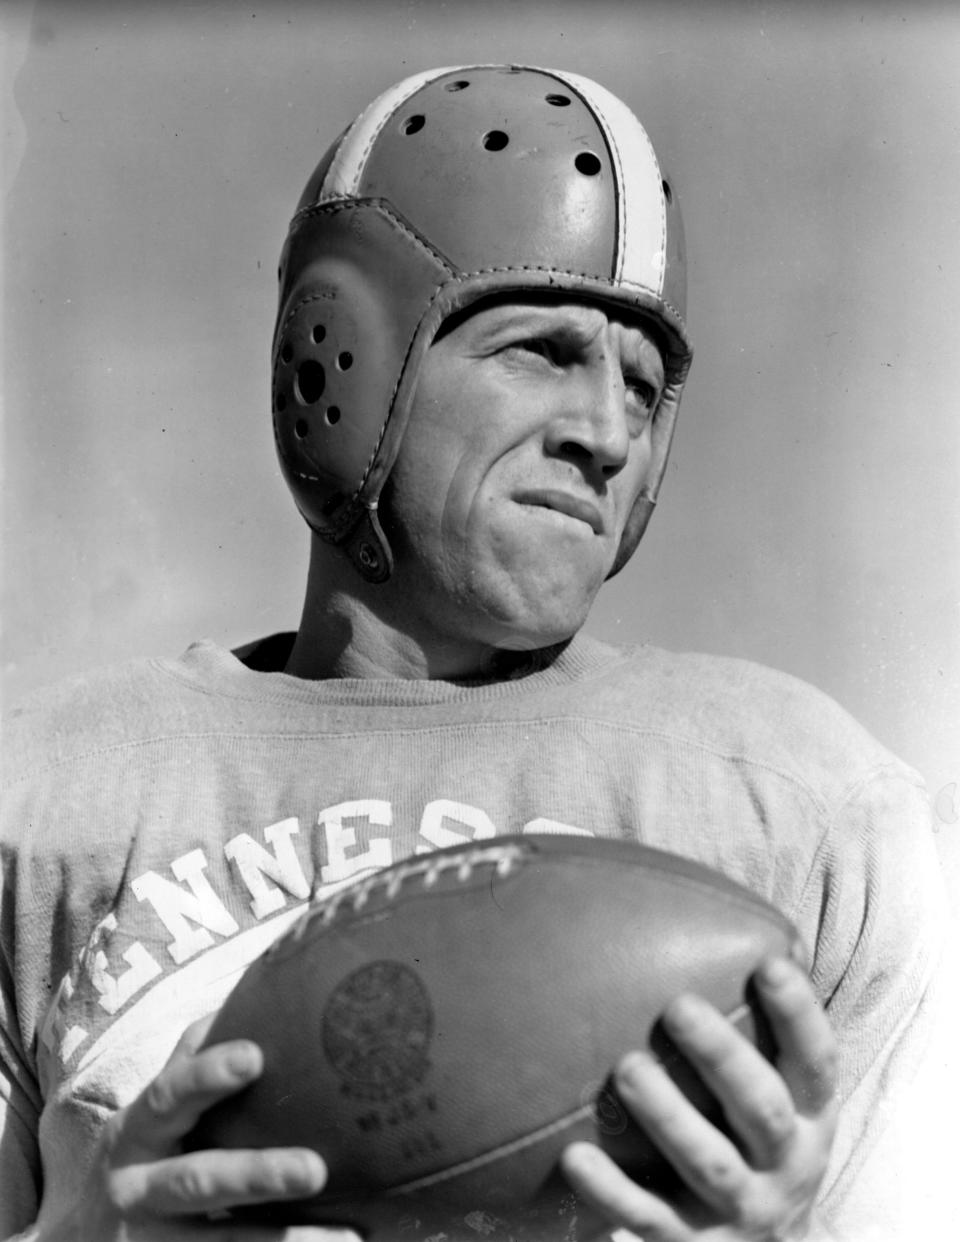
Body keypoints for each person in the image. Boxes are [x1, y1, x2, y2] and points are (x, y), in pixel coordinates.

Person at [1, 64, 954, 1242]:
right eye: (542, 351)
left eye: (644, 386)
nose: (607, 432)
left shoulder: (809, 812)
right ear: (345, 352)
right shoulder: (48, 798)